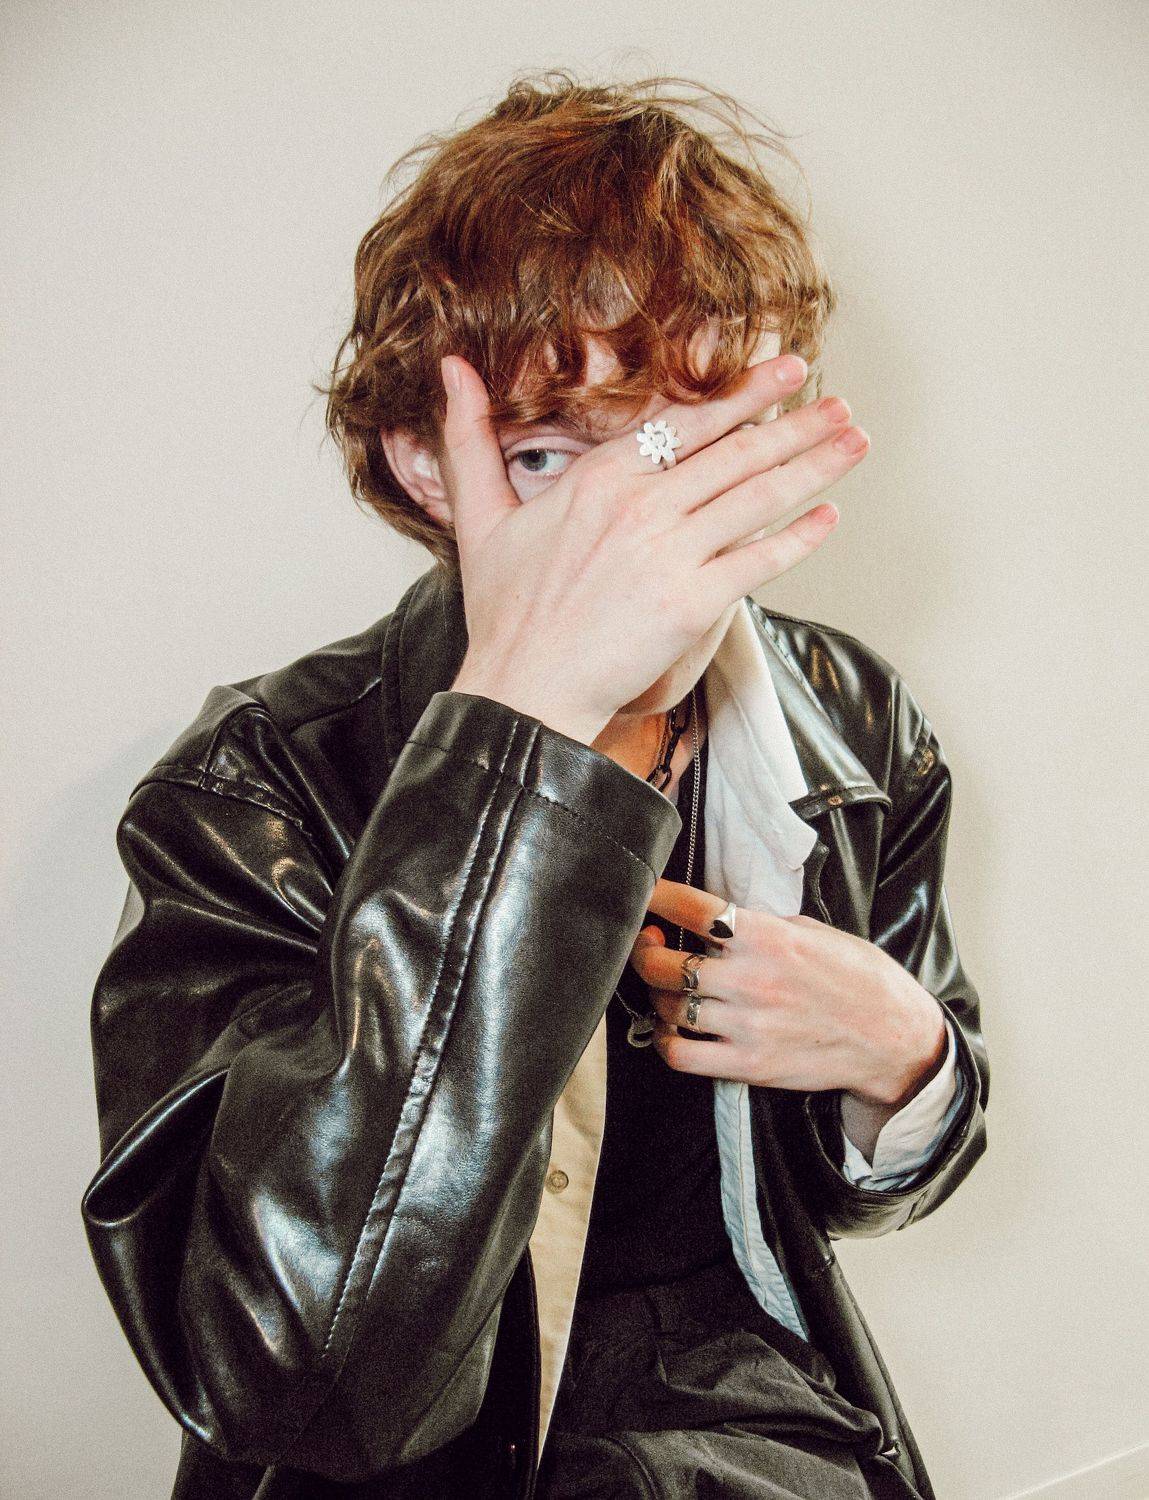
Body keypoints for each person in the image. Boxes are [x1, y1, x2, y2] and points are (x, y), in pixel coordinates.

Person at [81, 72, 989, 1500]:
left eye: (691, 451)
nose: (636, 541)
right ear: (428, 469)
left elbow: (857, 1185)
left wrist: (906, 1059)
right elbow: (281, 1378)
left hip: (759, 1429)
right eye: (555, 457)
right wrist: (525, 721)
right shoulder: (250, 790)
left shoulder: (860, 726)